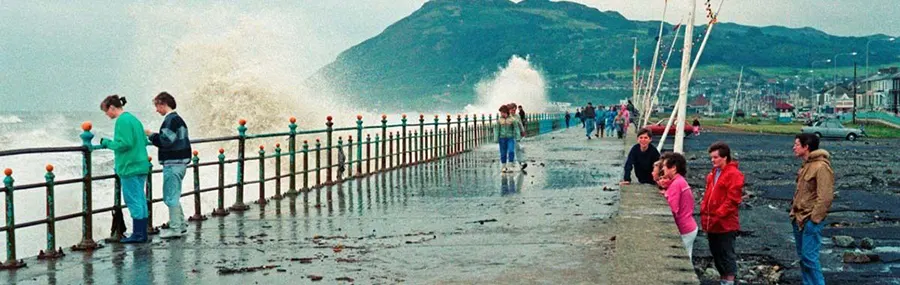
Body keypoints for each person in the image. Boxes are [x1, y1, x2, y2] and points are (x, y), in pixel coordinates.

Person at [99, 95, 152, 244]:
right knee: (140, 199)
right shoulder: (134, 119)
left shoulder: (121, 121)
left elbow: (124, 144)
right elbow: (142, 139)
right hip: (141, 163)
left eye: (106, 111)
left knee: (133, 200)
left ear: (112, 107)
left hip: (129, 166)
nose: (106, 115)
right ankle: (141, 232)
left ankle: (138, 234)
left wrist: (107, 143)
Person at [145, 92, 192, 239]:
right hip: (181, 162)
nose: (157, 110)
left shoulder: (170, 120)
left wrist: (150, 135)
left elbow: (166, 140)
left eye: (157, 106)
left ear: (163, 104)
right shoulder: (179, 120)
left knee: (170, 197)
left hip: (173, 163)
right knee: (174, 195)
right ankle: (181, 225)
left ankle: (175, 228)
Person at [790, 134, 833, 285]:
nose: (794, 147)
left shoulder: (821, 167)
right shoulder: (806, 165)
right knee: (804, 258)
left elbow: (825, 196)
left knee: (809, 258)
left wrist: (814, 219)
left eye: (796, 144)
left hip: (809, 220)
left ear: (806, 146)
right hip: (798, 218)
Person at [700, 142, 745, 285]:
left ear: (725, 157)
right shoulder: (713, 174)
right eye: (711, 157)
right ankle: (723, 279)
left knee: (726, 253)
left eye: (715, 157)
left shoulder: (734, 174)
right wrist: (705, 211)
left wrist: (719, 214)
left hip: (725, 223)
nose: (712, 160)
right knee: (716, 253)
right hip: (712, 221)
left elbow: (733, 200)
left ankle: (729, 281)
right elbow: (709, 194)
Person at [660, 152, 698, 260]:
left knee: (680, 259)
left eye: (665, 166)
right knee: (687, 257)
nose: (663, 169)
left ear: (673, 168)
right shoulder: (680, 181)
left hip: (684, 228)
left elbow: (672, 209)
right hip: (690, 226)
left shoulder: (676, 184)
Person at [495, 105, 522, 173]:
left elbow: (516, 129)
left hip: (510, 138)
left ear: (505, 112)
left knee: (511, 151)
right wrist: (496, 138)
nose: (501, 114)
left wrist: (518, 137)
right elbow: (497, 130)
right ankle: (504, 166)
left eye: (502, 112)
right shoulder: (499, 120)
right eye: (501, 113)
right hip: (502, 139)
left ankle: (510, 165)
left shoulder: (512, 120)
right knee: (503, 153)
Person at [509, 103, 527, 170]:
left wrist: (523, 131)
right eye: (512, 110)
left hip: (516, 135)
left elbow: (520, 124)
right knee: (512, 150)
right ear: (509, 110)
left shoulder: (517, 116)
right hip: (509, 136)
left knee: (518, 149)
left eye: (514, 110)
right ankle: (513, 163)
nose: (513, 111)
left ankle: (520, 163)